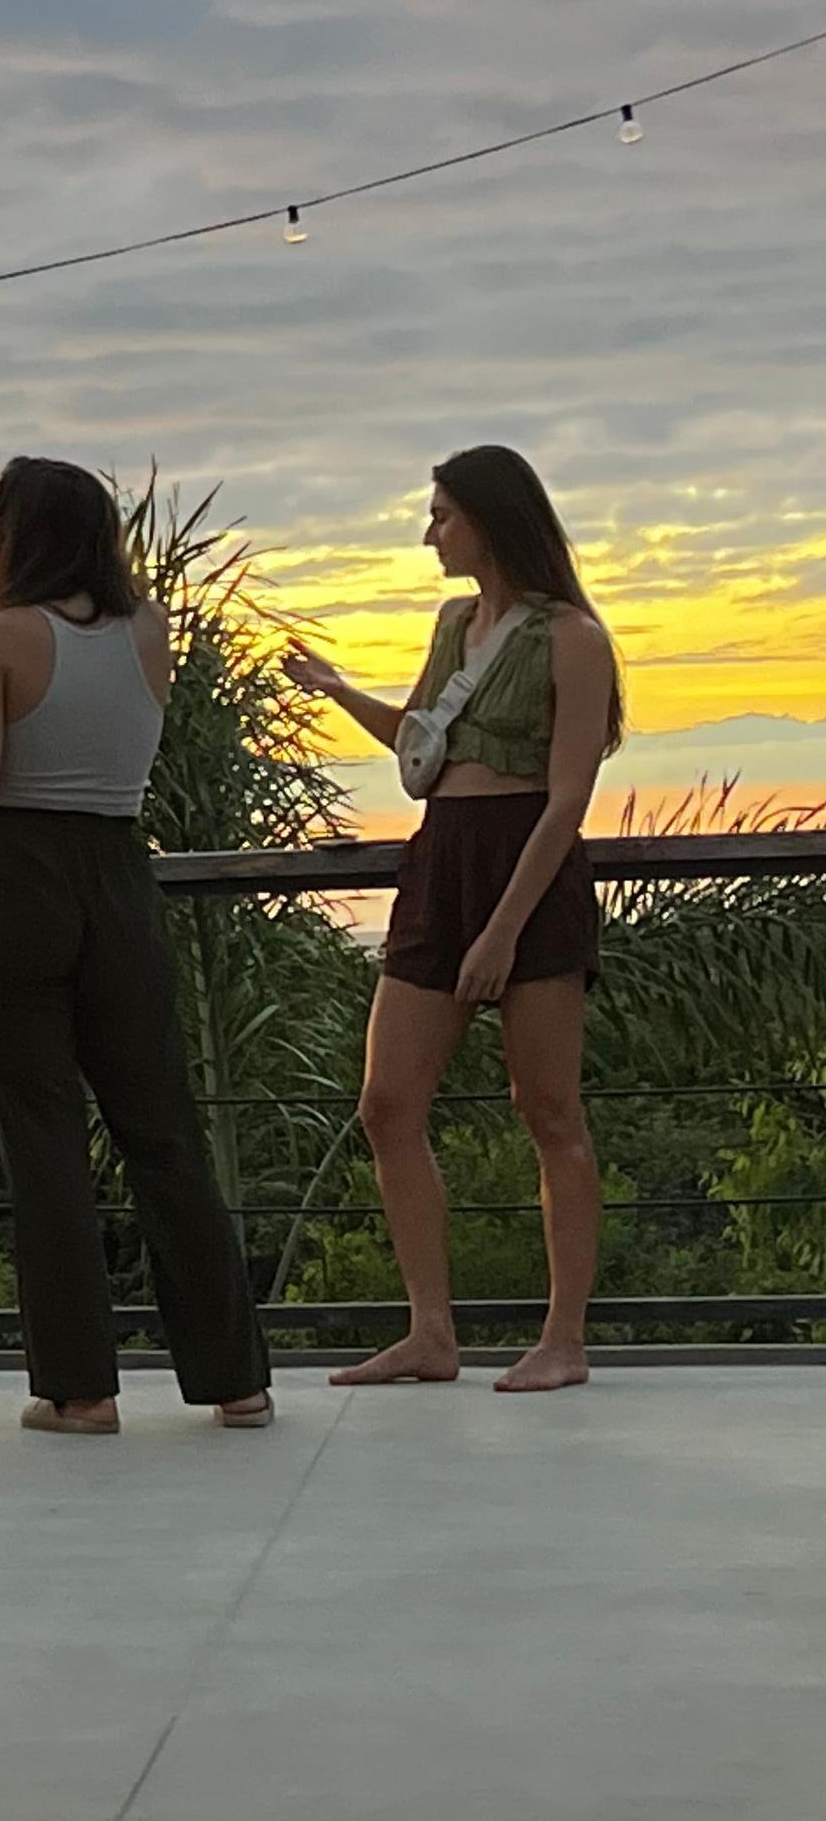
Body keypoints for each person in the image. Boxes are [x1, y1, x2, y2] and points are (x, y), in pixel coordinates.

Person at [0, 458, 270, 1436]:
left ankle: (80, 1387)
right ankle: (235, 1377)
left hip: (20, 872)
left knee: (43, 1133)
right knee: (160, 1129)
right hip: (119, 869)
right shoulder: (148, 628)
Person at [287, 445, 620, 1392]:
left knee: (547, 1107)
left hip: (529, 866)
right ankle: (430, 1331)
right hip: (440, 859)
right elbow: (424, 739)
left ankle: (564, 1338)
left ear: (487, 516)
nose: (429, 531)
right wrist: (339, 689)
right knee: (387, 1102)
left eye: (441, 514)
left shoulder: (573, 639)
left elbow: (567, 799)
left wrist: (505, 929)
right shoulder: (451, 623)